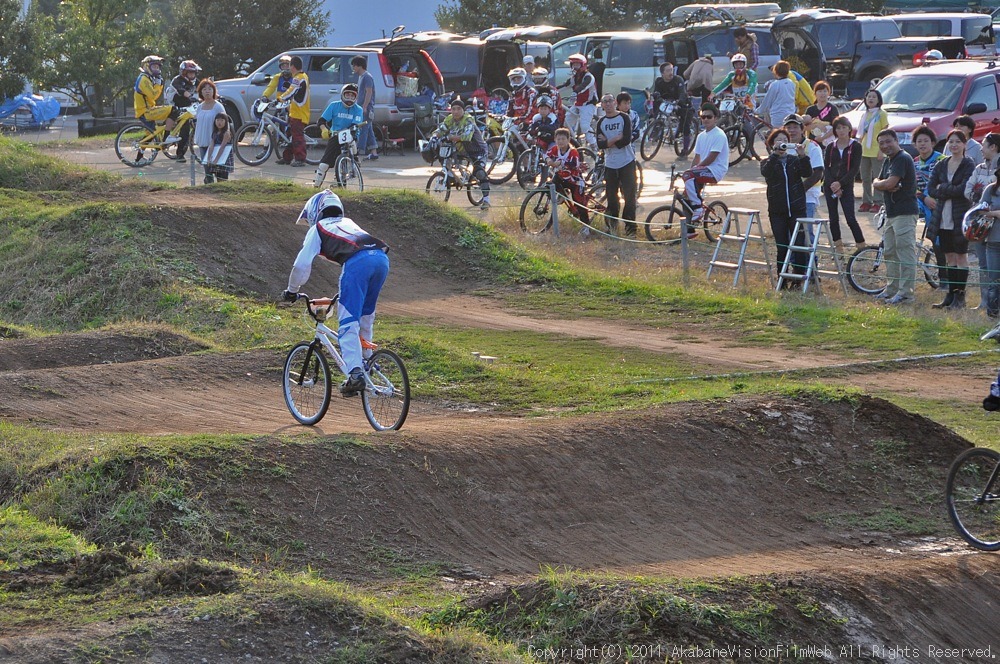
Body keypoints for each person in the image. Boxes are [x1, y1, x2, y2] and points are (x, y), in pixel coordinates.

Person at [282, 191, 390, 397]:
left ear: (315, 211)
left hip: (358, 263)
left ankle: (355, 374)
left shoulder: (318, 228)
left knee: (348, 321)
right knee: (365, 315)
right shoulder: (347, 222)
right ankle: (368, 361)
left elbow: (301, 264)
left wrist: (291, 291)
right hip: (381, 259)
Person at [927, 129, 975, 309]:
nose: (954, 145)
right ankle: (950, 295)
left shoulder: (968, 164)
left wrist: (943, 188)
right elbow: (931, 189)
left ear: (964, 144)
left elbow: (963, 190)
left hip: (959, 216)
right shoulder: (941, 164)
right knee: (949, 255)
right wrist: (946, 189)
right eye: (951, 142)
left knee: (961, 255)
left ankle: (960, 297)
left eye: (958, 142)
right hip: (942, 216)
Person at [873, 129, 920, 305]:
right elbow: (876, 181)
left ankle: (906, 293)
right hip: (891, 213)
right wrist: (881, 184)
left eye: (888, 141)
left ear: (896, 140)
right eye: (881, 143)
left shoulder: (902, 158)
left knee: (904, 251)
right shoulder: (888, 160)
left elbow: (890, 182)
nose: (885, 146)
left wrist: (883, 184)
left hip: (905, 212)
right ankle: (892, 289)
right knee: (890, 251)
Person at [761, 128, 813, 281]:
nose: (782, 143)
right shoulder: (768, 161)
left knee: (799, 246)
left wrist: (803, 155)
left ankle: (799, 278)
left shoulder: (794, 161)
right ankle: (782, 278)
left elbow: (807, 173)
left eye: (785, 140)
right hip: (777, 211)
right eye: (778, 140)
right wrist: (775, 155)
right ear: (772, 144)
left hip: (797, 209)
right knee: (782, 246)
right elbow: (766, 173)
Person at [431, 99, 491, 208]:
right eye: (453, 109)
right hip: (460, 149)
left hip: (477, 150)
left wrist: (449, 137)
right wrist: (435, 136)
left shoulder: (468, 120)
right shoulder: (450, 119)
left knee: (480, 173)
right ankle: (450, 176)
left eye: (458, 109)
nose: (455, 111)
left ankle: (486, 200)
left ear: (463, 110)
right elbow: (441, 130)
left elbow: (466, 137)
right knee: (443, 155)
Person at [965, 133, 1000, 310]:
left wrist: (991, 210)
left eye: (984, 145)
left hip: (996, 230)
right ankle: (986, 303)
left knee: (995, 270)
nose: (981, 148)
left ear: (993, 147)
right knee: (984, 266)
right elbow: (969, 190)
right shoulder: (978, 167)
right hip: (982, 227)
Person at [596, 93, 638, 237]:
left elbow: (625, 140)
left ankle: (631, 228)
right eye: (604, 102)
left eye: (610, 101)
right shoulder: (601, 122)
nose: (607, 104)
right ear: (602, 105)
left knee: (629, 197)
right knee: (612, 199)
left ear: (615, 102)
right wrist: (615, 138)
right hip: (610, 164)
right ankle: (612, 227)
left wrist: (609, 141)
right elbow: (600, 144)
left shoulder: (624, 118)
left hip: (627, 162)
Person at [683, 103, 729, 229]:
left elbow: (712, 157)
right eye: (703, 117)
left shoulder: (719, 135)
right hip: (702, 170)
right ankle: (689, 229)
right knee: (685, 196)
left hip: (715, 171)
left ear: (715, 118)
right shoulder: (700, 136)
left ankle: (698, 208)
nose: (706, 120)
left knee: (688, 175)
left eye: (709, 117)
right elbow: (696, 158)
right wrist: (691, 170)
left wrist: (692, 171)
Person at [823, 116, 865, 253]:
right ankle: (838, 247)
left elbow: (854, 169)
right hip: (830, 186)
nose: (841, 131)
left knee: (850, 218)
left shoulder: (856, 146)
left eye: (844, 127)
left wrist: (840, 184)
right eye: (838, 128)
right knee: (833, 218)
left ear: (849, 129)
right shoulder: (830, 146)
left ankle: (861, 247)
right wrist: (833, 186)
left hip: (846, 185)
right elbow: (826, 168)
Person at [313, 83, 366, 187]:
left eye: (352, 96)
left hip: (350, 135)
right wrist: (324, 129)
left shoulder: (358, 109)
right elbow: (322, 120)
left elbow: (356, 123)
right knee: (324, 164)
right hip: (335, 135)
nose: (350, 98)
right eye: (347, 95)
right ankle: (316, 186)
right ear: (342, 95)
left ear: (356, 97)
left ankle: (354, 158)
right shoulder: (334, 105)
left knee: (351, 142)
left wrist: (352, 129)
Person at [547, 127, 590, 230]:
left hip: (574, 180)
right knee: (550, 186)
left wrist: (560, 163)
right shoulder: (555, 149)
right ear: (555, 140)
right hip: (561, 176)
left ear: (568, 140)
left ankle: (586, 226)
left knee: (579, 202)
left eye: (563, 139)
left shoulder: (573, 151)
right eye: (558, 139)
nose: (560, 141)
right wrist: (548, 160)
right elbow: (547, 154)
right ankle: (560, 195)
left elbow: (573, 164)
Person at [783, 114, 824, 220]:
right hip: (787, 197)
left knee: (806, 231)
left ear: (802, 129)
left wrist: (799, 190)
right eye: (788, 128)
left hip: (808, 197)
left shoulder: (812, 147)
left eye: (795, 127)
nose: (791, 130)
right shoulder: (782, 147)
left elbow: (818, 173)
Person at [857, 89, 889, 213]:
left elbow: (885, 133)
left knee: (877, 178)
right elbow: (861, 134)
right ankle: (866, 201)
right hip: (864, 150)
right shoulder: (864, 114)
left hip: (877, 150)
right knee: (865, 177)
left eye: (873, 97)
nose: (871, 99)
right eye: (869, 97)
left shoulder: (882, 114)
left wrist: (882, 150)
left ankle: (878, 202)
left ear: (879, 100)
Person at [133, 55, 180, 140]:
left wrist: (158, 84)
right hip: (145, 111)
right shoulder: (144, 79)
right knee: (174, 110)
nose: (157, 69)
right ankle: (167, 137)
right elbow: (153, 95)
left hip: (147, 110)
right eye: (154, 67)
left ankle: (140, 153)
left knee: (150, 135)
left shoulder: (149, 78)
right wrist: (159, 84)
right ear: (147, 67)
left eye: (158, 67)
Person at [558, 53, 598, 151]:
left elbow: (583, 86)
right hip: (577, 104)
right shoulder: (574, 78)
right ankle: (572, 143)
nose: (575, 67)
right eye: (573, 64)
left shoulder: (589, 77)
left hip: (588, 105)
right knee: (566, 124)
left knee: (584, 127)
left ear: (583, 65)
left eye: (577, 64)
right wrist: (551, 90)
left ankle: (594, 145)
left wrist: (575, 92)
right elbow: (564, 86)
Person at [976, 165, 1000, 318]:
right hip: (993, 242)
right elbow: (980, 210)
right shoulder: (990, 190)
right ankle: (992, 315)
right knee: (994, 280)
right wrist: (993, 213)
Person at [276, 55, 310, 167]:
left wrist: (280, 99)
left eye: (290, 65)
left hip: (299, 114)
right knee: (290, 136)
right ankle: (287, 158)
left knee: (297, 137)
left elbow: (291, 91)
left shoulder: (298, 78)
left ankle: (300, 159)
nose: (289, 68)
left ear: (293, 66)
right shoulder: (303, 76)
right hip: (295, 112)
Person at [168, 60, 201, 163]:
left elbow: (204, 89)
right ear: (184, 73)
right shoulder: (177, 80)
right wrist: (191, 97)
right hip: (175, 105)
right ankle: (180, 154)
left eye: (193, 72)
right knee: (185, 129)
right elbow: (181, 91)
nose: (192, 75)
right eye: (190, 72)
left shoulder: (196, 81)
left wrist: (216, 97)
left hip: (188, 105)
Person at [193, 79, 225, 176]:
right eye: (204, 89)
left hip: (215, 143)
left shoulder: (218, 107)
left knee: (218, 169)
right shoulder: (199, 107)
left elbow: (224, 123)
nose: (207, 91)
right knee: (207, 170)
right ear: (201, 92)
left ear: (214, 91)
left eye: (210, 89)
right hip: (202, 142)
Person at [352, 56, 379, 161]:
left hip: (366, 108)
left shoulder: (367, 77)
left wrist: (364, 106)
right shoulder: (361, 77)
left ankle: (358, 151)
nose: (353, 68)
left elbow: (369, 92)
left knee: (363, 128)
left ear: (359, 66)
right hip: (361, 107)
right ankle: (374, 152)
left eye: (354, 65)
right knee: (369, 129)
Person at [756, 61, 796, 129]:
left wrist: (757, 111)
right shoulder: (791, 83)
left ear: (776, 71)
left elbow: (767, 101)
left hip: (778, 116)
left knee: (777, 135)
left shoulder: (775, 84)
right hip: (790, 113)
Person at [651, 62, 690, 129]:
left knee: (684, 120)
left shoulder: (678, 79)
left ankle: (686, 137)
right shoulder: (658, 81)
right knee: (655, 106)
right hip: (665, 103)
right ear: (662, 73)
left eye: (671, 70)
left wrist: (679, 101)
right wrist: (655, 96)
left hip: (678, 102)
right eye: (668, 71)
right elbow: (656, 92)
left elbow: (682, 93)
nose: (671, 72)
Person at [202, 113, 234, 183]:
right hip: (216, 157)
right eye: (218, 120)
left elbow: (222, 147)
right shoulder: (215, 132)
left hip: (223, 158)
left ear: (225, 122)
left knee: (223, 177)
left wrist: (216, 159)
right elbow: (211, 146)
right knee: (217, 175)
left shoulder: (226, 133)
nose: (219, 122)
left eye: (222, 120)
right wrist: (208, 158)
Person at [804, 81, 838, 145]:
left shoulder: (832, 108)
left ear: (828, 93)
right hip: (812, 143)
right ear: (815, 93)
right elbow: (804, 127)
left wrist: (822, 138)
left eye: (825, 91)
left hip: (828, 142)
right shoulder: (810, 109)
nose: (822, 94)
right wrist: (816, 125)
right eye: (820, 91)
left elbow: (836, 127)